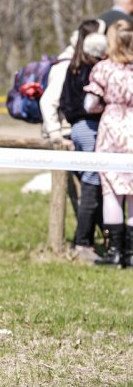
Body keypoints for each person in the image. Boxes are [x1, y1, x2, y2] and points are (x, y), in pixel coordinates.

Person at [84, 18, 133, 267]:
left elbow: (89, 104)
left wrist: (105, 106)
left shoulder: (103, 69)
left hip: (112, 127)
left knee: (112, 191)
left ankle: (114, 252)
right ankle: (131, 253)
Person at [59, 20, 108, 263]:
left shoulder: (74, 67)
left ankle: (106, 236)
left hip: (78, 128)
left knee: (94, 184)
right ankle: (83, 241)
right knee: (92, 184)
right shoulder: (93, 70)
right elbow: (90, 104)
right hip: (90, 128)